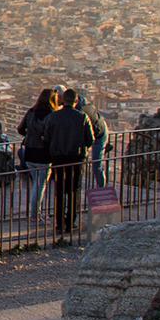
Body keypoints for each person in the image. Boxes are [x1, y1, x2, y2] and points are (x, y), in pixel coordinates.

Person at [44, 92, 95, 239]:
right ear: (76, 101)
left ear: (62, 100)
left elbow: (47, 137)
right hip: (76, 158)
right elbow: (90, 139)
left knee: (59, 191)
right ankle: (70, 222)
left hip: (58, 158)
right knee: (74, 191)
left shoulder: (53, 116)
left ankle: (59, 224)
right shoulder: (82, 117)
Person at [18, 89, 59, 220]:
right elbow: (52, 135)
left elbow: (20, 129)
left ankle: (37, 213)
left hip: (29, 152)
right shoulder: (53, 115)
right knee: (39, 185)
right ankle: (35, 215)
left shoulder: (31, 112)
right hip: (43, 153)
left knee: (36, 183)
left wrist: (30, 135)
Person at [77, 91, 110, 189]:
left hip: (99, 135)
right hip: (98, 130)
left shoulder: (81, 112)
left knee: (96, 165)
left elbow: (89, 135)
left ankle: (101, 188)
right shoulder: (84, 103)